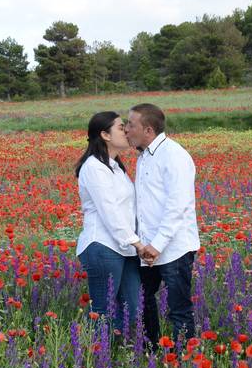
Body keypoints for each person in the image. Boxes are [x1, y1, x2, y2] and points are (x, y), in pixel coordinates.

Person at [125, 103, 200, 347]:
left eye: (131, 124)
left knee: (178, 308)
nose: (126, 129)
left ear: (148, 130)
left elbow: (177, 206)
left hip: (174, 248)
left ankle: (184, 360)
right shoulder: (144, 157)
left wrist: (156, 245)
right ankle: (151, 350)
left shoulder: (174, 156)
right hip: (148, 248)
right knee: (143, 300)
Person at [75, 111, 145, 332]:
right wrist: (137, 243)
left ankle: (115, 356)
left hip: (125, 248)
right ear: (105, 135)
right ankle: (90, 359)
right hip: (103, 246)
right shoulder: (93, 167)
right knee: (103, 312)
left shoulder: (115, 167)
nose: (125, 131)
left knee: (132, 309)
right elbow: (110, 211)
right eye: (120, 127)